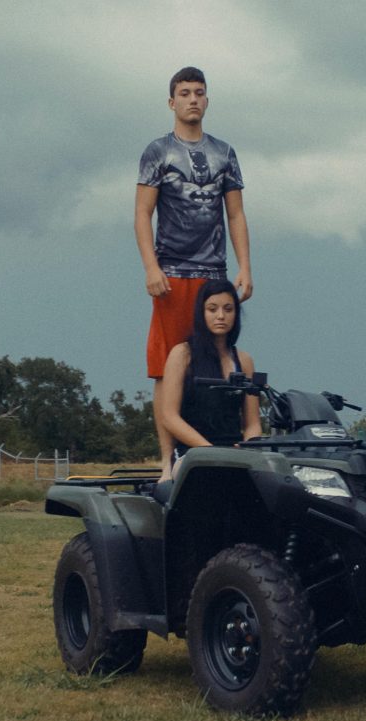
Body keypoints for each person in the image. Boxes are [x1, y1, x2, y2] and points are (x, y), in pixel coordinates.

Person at [135, 66, 253, 479]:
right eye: (184, 93)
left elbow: (236, 213)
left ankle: (226, 444)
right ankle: (168, 460)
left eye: (199, 93)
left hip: (212, 272)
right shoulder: (157, 151)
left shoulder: (224, 152)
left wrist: (245, 267)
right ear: (172, 101)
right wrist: (151, 267)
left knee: (219, 359)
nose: (192, 100)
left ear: (207, 100)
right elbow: (142, 213)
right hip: (171, 273)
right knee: (167, 366)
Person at [158, 279, 261, 474]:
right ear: (201, 312)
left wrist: (249, 449)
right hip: (193, 452)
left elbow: (253, 423)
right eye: (212, 309)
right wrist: (209, 451)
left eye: (228, 309)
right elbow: (169, 417)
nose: (221, 316)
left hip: (235, 453)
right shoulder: (182, 354)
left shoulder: (244, 360)